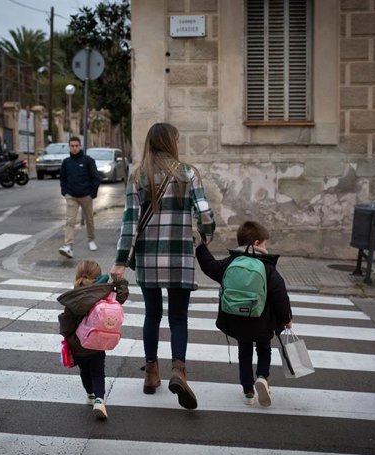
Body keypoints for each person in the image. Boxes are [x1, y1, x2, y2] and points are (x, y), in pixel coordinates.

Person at [110, 122, 215, 410]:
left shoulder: (138, 175)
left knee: (152, 314)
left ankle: (151, 373)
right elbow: (205, 214)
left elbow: (130, 224)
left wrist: (121, 262)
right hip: (179, 256)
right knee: (178, 317)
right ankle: (178, 371)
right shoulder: (188, 173)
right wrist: (206, 237)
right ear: (171, 143)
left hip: (148, 259)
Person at [195, 221, 292, 407]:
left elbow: (209, 266)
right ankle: (262, 377)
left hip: (236, 319)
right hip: (261, 321)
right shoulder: (267, 267)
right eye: (265, 243)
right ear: (256, 243)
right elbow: (280, 296)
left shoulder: (230, 263)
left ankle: (248, 391)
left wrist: (201, 247)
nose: (266, 247)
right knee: (264, 349)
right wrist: (287, 319)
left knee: (244, 352)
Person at [57, 260, 129, 420]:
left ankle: (90, 394)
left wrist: (68, 336)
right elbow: (121, 297)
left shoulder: (73, 298)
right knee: (98, 373)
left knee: (85, 371)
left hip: (78, 344)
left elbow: (66, 326)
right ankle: (99, 400)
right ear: (97, 276)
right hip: (98, 342)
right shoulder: (103, 292)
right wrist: (119, 280)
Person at [59, 137, 101, 259]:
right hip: (71, 196)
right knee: (70, 221)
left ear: (80, 146)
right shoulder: (66, 162)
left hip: (86, 196)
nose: (74, 148)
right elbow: (62, 178)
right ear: (69, 147)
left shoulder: (88, 161)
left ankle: (91, 240)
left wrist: (92, 194)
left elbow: (96, 178)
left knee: (89, 219)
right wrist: (65, 192)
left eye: (76, 146)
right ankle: (68, 246)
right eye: (72, 146)